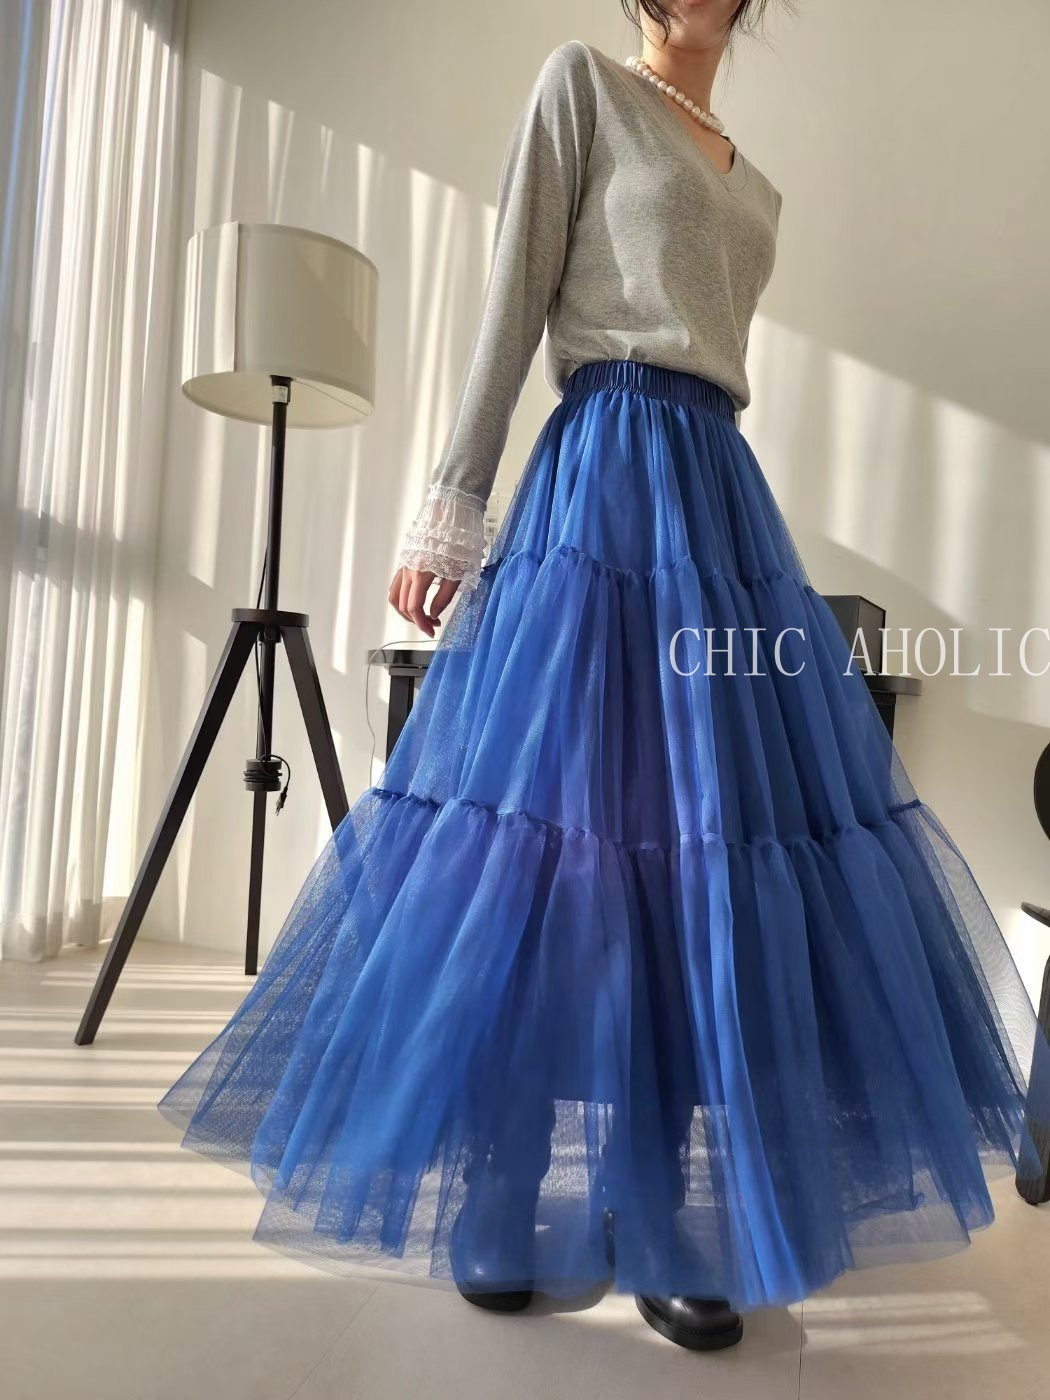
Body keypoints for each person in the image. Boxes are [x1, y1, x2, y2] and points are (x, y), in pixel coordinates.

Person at [159, 0, 1047, 1355]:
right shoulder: (581, 87)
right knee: (548, 841)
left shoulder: (756, 187)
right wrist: (451, 506)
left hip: (715, 503)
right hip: (598, 481)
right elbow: (513, 296)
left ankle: (674, 1207)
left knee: (701, 851)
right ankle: (505, 1185)